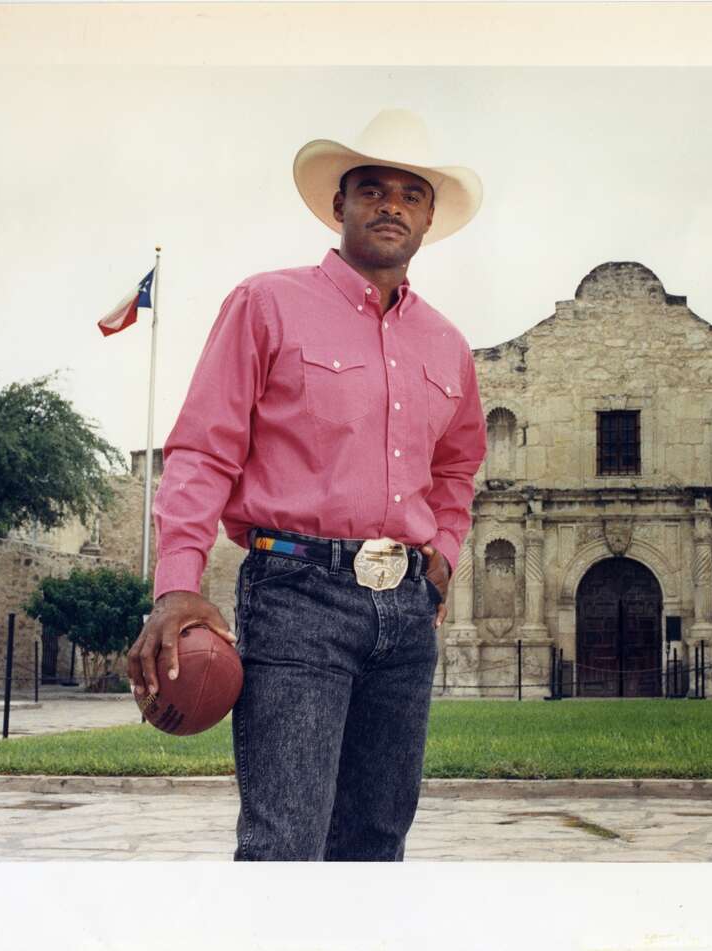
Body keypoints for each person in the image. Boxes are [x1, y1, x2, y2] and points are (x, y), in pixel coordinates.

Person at [126, 109, 487, 861]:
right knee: (284, 843)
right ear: (340, 205)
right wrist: (176, 584)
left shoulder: (449, 346)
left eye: (410, 194)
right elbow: (201, 450)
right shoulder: (266, 304)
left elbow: (457, 466)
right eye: (372, 189)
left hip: (406, 612)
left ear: (427, 217)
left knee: (377, 841)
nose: (391, 204)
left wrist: (444, 551)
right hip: (297, 597)